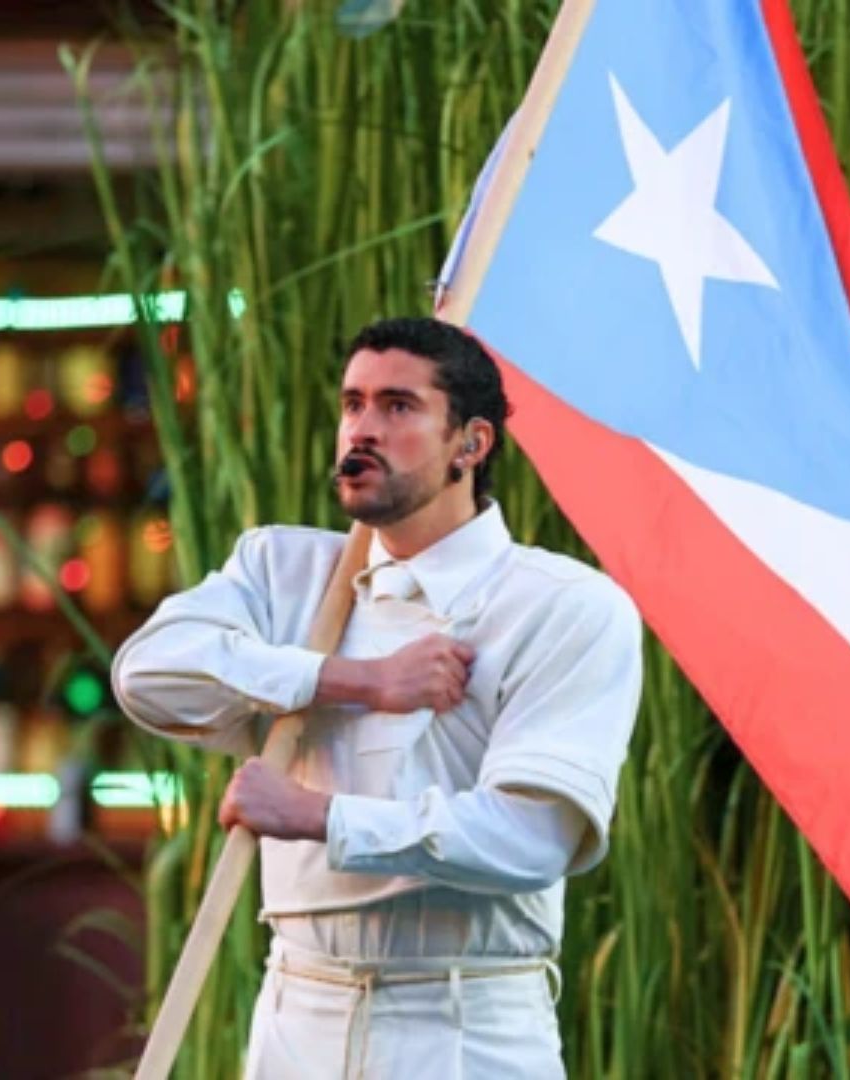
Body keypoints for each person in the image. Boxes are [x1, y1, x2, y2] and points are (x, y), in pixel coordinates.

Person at [111, 316, 643, 1078]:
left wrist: (318, 816)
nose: (362, 429)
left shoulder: (564, 605)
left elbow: (532, 838)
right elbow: (147, 676)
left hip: (464, 1025)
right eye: (352, 403)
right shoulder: (280, 572)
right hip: (295, 1014)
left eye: (398, 407)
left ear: (472, 443)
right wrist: (356, 682)